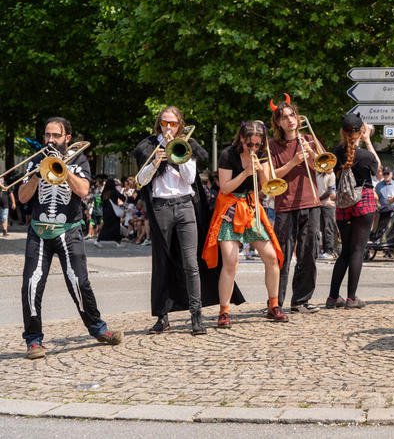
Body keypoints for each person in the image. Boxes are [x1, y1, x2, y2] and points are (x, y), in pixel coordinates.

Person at [18, 117, 123, 359]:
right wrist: (36, 174)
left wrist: (62, 169)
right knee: (31, 285)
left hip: (69, 230)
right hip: (39, 231)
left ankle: (98, 328)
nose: (50, 140)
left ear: (67, 138)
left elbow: (84, 191)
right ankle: (33, 340)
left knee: (79, 283)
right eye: (47, 135)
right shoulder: (35, 160)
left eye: (55, 136)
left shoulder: (80, 159)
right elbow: (23, 198)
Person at [134, 106, 241, 335]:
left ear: (179, 124)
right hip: (161, 206)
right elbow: (140, 181)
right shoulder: (149, 146)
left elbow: (190, 178)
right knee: (161, 262)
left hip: (184, 206)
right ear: (159, 123)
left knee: (191, 264)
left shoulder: (187, 145)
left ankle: (196, 316)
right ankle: (162, 317)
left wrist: (177, 154)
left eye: (173, 123)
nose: (168, 128)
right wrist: (155, 162)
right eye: (164, 123)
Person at [202, 120, 285, 326]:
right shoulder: (228, 155)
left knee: (271, 257)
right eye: (251, 145)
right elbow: (225, 187)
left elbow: (266, 187)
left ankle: (273, 306)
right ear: (242, 139)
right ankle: (224, 311)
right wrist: (246, 172)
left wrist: (261, 170)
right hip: (230, 208)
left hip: (251, 207)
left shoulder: (262, 154)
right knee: (231, 262)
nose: (254, 149)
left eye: (258, 145)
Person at [268, 97, 323, 313]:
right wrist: (293, 163)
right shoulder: (272, 145)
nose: (290, 120)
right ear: (278, 123)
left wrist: (312, 153)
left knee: (308, 253)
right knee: (281, 255)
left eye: (292, 115)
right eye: (284, 117)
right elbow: (272, 175)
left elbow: (325, 166)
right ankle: (275, 303)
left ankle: (301, 300)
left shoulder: (309, 139)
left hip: (311, 202)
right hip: (285, 205)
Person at [327, 113, 379, 309]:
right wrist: (367, 141)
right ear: (361, 131)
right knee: (358, 249)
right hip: (363, 201)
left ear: (342, 132)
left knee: (345, 251)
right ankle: (351, 298)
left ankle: (332, 297)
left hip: (343, 203)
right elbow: (378, 168)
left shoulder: (335, 153)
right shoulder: (366, 156)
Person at [316, 170, 337, 261]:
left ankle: (329, 251)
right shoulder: (317, 174)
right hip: (319, 204)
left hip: (328, 205)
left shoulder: (331, 175)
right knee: (321, 229)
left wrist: (318, 199)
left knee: (328, 228)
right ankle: (322, 250)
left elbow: (329, 191)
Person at [97, 178, 125, 245]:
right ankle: (117, 240)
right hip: (113, 212)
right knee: (115, 226)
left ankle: (99, 239)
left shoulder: (104, 192)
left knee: (106, 226)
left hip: (106, 212)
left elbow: (102, 201)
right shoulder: (114, 191)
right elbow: (123, 198)